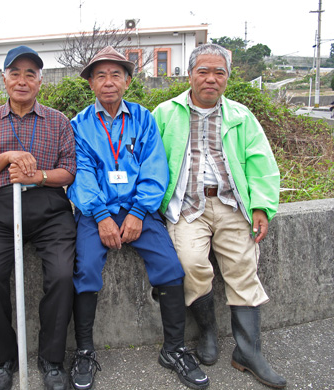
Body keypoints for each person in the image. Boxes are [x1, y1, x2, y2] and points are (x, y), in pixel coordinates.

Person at [67, 46, 209, 390]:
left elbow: (155, 167)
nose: (108, 82)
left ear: (128, 81)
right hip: (95, 210)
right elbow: (81, 174)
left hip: (139, 208)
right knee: (84, 269)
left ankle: (173, 348)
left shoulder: (143, 119)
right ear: (90, 84)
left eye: (116, 74)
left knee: (170, 266)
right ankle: (85, 350)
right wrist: (101, 215)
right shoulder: (79, 125)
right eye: (100, 75)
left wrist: (138, 212)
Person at [152, 43, 286, 389]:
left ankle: (248, 351)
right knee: (192, 263)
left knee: (243, 266)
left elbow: (262, 165)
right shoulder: (165, 113)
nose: (211, 79)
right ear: (191, 74)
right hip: (186, 206)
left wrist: (260, 207)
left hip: (230, 204)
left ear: (227, 77)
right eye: (203, 71)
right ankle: (207, 332)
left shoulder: (242, 116)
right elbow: (150, 163)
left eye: (219, 73)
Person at [0, 45, 77, 390]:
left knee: (61, 275)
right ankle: (3, 361)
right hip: (2, 209)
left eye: (30, 74)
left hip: (49, 209)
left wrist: (38, 176)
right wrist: (8, 157)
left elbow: (69, 172)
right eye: (15, 73)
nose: (22, 80)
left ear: (40, 81)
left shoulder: (58, 121)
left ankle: (51, 360)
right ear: (4, 79)